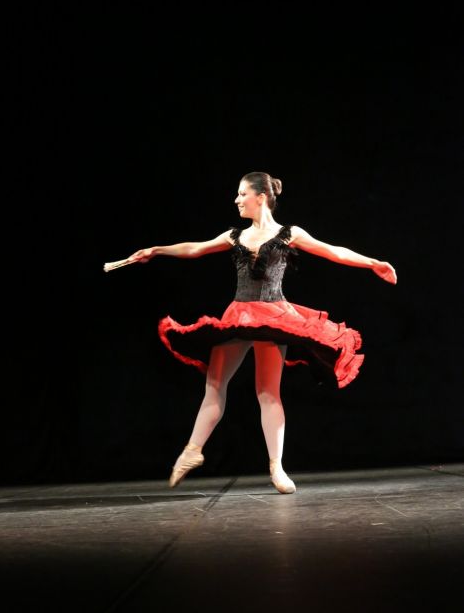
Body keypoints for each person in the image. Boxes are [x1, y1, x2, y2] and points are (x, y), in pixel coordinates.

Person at [104, 172, 397, 495]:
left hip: (273, 315)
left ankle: (277, 467)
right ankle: (192, 451)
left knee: (268, 392)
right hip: (240, 314)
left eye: (242, 194)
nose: (236, 199)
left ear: (261, 197)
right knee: (214, 385)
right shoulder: (234, 236)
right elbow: (195, 248)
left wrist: (373, 262)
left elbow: (333, 251)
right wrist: (156, 250)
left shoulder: (289, 234)